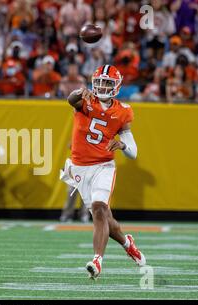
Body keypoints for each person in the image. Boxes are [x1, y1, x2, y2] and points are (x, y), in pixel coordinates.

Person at [62, 64, 146, 279]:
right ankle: (128, 243)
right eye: (99, 82)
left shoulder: (123, 111)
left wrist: (123, 146)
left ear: (116, 86)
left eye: (107, 83)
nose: (102, 86)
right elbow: (71, 100)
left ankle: (97, 260)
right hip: (80, 167)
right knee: (106, 219)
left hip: (103, 166)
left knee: (99, 209)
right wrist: (78, 92)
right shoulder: (85, 101)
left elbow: (133, 153)